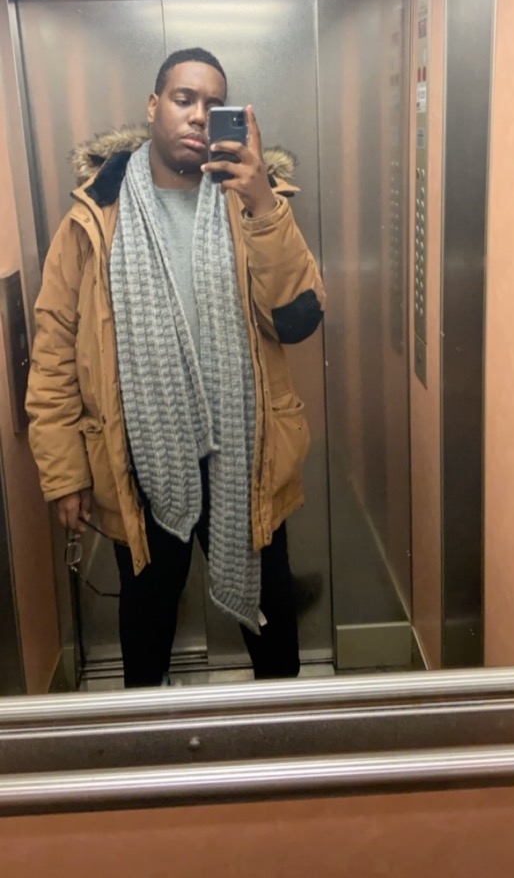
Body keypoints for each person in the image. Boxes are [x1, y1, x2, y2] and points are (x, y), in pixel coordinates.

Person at [26, 47, 325, 688]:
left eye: (214, 104)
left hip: (248, 458)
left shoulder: (254, 204)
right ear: (153, 105)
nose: (197, 115)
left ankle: (284, 734)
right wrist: (64, 471)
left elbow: (298, 319)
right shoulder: (94, 217)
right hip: (138, 464)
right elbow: (54, 351)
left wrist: (262, 203)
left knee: (273, 630)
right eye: (184, 99)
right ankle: (149, 737)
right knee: (146, 629)